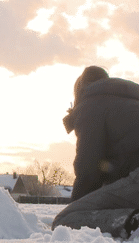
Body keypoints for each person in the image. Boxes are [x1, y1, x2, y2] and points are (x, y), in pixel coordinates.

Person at [52, 66, 139, 239]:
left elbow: (88, 170)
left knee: (64, 219)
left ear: (79, 92)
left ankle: (133, 221)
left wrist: (78, 206)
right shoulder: (126, 102)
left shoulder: (91, 103)